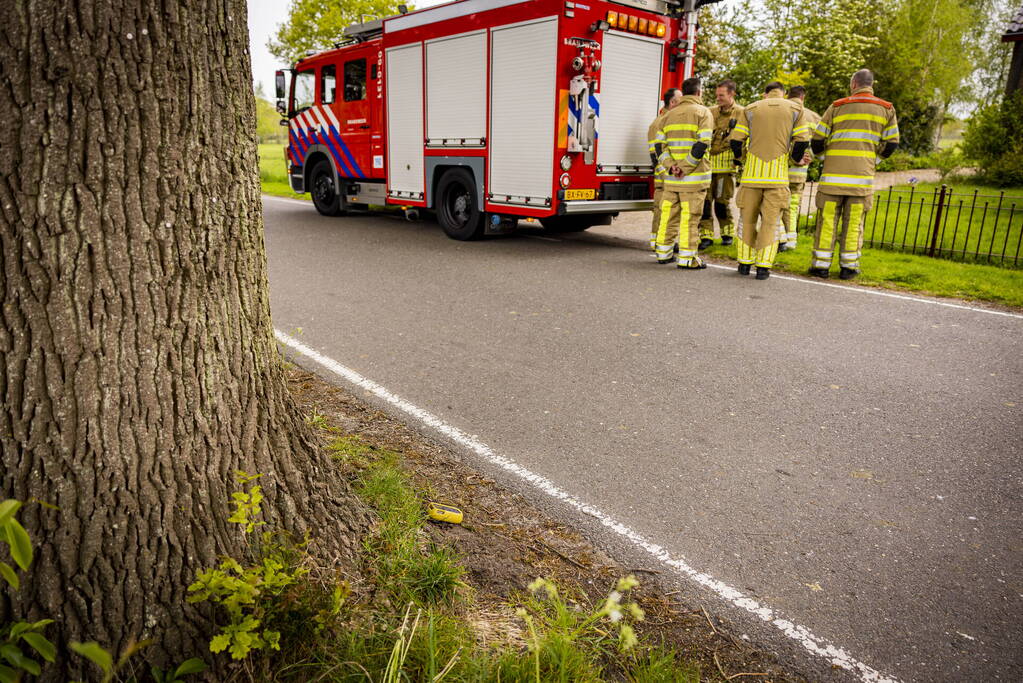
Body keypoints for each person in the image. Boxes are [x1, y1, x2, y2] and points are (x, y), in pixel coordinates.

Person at [809, 69, 899, 279]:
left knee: (827, 222)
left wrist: (824, 158)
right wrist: (874, 160)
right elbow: (892, 144)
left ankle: (820, 266)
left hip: (832, 180)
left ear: (853, 84)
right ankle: (848, 267)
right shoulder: (886, 109)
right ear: (871, 84)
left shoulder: (837, 106)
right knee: (854, 223)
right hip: (861, 181)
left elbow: (817, 140)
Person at [728, 81, 811, 280]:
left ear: (765, 93)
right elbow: (802, 141)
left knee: (747, 221)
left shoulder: (750, 109)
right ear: (783, 93)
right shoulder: (795, 109)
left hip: (751, 178)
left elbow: (735, 141)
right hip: (777, 179)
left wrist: (742, 158)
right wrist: (793, 159)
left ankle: (744, 264)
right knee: (770, 224)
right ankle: (763, 268)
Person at [653, 77, 713, 269]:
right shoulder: (703, 112)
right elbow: (702, 143)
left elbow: (659, 147)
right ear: (699, 92)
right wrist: (685, 167)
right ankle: (687, 259)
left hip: (671, 179)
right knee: (690, 218)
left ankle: (663, 253)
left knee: (668, 216)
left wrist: (671, 167)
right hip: (693, 180)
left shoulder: (667, 115)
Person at [698, 79, 744, 250]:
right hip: (707, 168)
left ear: (732, 94)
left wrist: (739, 160)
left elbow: (745, 140)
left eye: (721, 95)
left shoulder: (741, 113)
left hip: (726, 169)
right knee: (705, 204)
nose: (717, 98)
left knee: (721, 203)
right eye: (717, 95)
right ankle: (706, 236)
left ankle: (727, 234)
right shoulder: (710, 112)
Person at [778, 85, 820, 251]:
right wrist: (808, 157)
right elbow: (820, 143)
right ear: (803, 97)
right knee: (793, 205)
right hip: (800, 172)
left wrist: (792, 158)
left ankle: (781, 237)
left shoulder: (783, 112)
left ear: (787, 95)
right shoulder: (813, 116)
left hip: (781, 169)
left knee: (777, 204)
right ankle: (791, 240)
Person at [648, 88, 683, 251]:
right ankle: (657, 242)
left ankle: (663, 241)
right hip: (664, 176)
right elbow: (656, 155)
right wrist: (669, 173)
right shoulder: (659, 123)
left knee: (668, 210)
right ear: (673, 102)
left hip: (669, 174)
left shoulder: (669, 120)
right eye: (681, 99)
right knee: (661, 209)